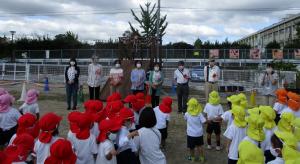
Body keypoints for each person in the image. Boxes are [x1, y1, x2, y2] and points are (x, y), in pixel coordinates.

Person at [184, 98, 206, 162]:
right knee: (200, 146)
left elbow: (185, 119)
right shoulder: (199, 114)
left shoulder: (187, 114)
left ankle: (192, 158)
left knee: (191, 147)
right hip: (199, 133)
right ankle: (201, 158)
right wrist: (209, 120)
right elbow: (204, 121)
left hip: (190, 134)